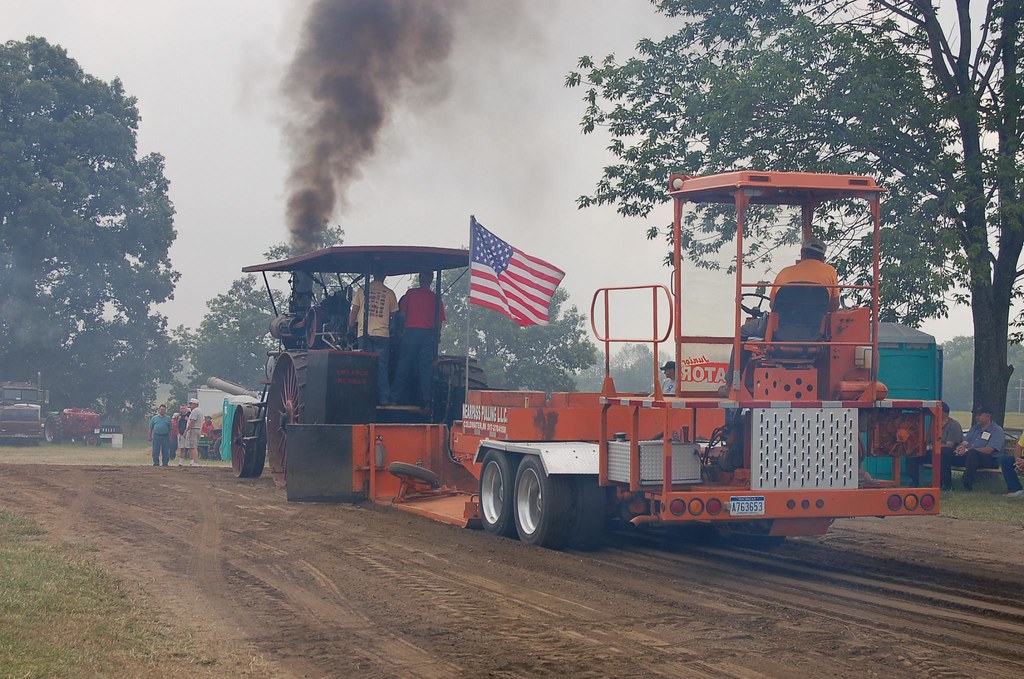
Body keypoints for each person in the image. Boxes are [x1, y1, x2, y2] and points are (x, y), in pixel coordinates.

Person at [720, 237, 840, 396]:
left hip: (780, 333)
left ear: (802, 253)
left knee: (742, 333)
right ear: (823, 258)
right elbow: (834, 307)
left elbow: (772, 306)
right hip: (813, 334)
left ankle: (730, 384)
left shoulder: (785, 273)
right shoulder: (830, 272)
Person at [393, 271, 445, 407]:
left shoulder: (411, 293)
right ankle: (426, 400)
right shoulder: (435, 298)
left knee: (403, 365)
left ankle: (394, 397)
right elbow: (439, 322)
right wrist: (437, 336)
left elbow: (402, 314)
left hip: (411, 332)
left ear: (419, 278)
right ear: (431, 280)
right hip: (427, 335)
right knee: (426, 369)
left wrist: (401, 330)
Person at [348, 267, 399, 404]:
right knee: (382, 367)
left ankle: (365, 398)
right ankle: (383, 399)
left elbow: (354, 312)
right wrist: (392, 328)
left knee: (365, 367)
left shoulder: (362, 290)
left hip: (364, 334)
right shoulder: (390, 293)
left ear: (373, 275)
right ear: (384, 276)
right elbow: (394, 316)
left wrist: (350, 327)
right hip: (382, 335)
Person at [942, 405, 1005, 492]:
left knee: (973, 453)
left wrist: (968, 450)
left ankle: (967, 485)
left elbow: (989, 450)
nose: (976, 417)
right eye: (976, 415)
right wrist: (960, 448)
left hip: (989, 459)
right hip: (970, 457)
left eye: (979, 415)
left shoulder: (997, 430)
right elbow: (965, 442)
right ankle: (947, 484)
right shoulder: (975, 428)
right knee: (945, 451)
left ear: (988, 416)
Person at [907, 401, 962, 486]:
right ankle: (915, 481)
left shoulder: (953, 425)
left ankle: (945, 483)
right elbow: (928, 440)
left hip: (947, 452)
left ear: (942, 413)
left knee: (941, 454)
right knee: (914, 453)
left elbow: (949, 445)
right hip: (933, 450)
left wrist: (933, 447)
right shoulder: (933, 423)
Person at [181, 397, 202, 468]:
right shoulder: (199, 411)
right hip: (197, 429)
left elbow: (192, 421)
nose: (190, 405)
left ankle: (195, 462)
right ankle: (193, 462)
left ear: (195, 404)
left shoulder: (195, 411)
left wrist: (186, 430)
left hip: (193, 429)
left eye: (191, 404)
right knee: (193, 446)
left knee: (193, 447)